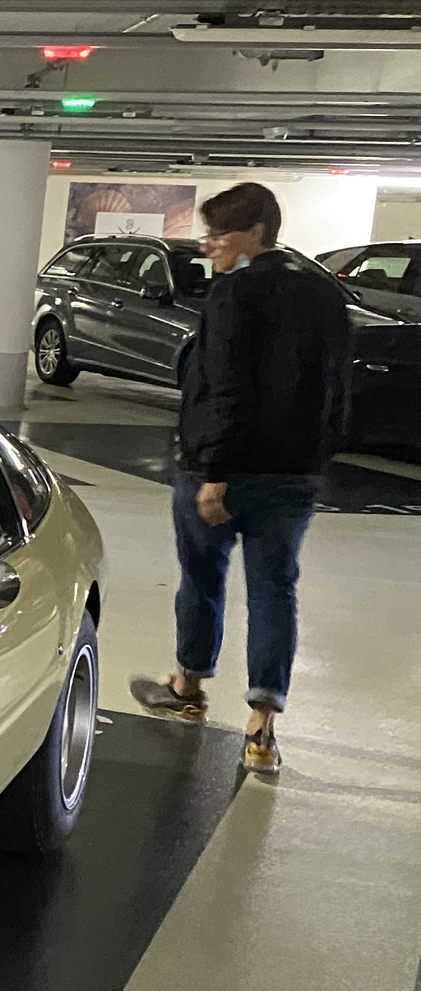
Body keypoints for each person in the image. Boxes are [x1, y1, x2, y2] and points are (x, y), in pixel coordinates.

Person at [130, 183, 350, 775]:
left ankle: (189, 685)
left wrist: (215, 473)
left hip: (222, 471)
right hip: (293, 474)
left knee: (202, 577)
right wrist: (317, 457)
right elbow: (336, 387)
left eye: (218, 236)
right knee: (275, 589)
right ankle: (261, 728)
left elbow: (227, 386)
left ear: (255, 232)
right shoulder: (326, 294)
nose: (210, 248)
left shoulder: (235, 295)